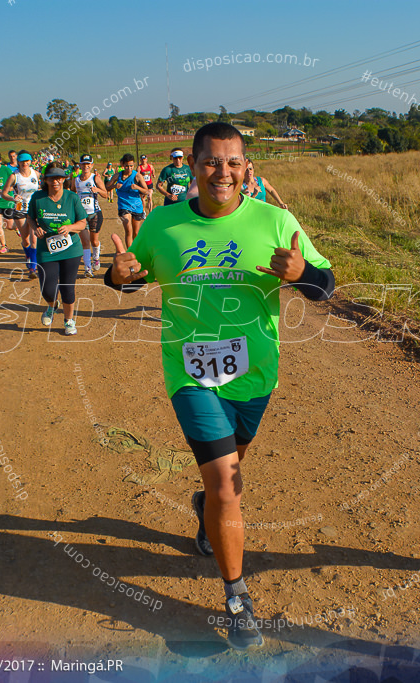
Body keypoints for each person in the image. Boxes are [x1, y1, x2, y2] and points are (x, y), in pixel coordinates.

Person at [104, 122, 334, 649]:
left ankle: (205, 507)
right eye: (211, 161)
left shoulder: (276, 221)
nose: (222, 172)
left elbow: (326, 287)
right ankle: (237, 597)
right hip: (190, 375)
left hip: (256, 373)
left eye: (232, 162)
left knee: (231, 473)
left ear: (246, 167)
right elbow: (127, 275)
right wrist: (119, 275)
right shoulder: (163, 224)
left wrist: (299, 272)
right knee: (227, 486)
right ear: (192, 165)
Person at [24, 163, 87, 336]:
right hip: (46, 250)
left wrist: (70, 228)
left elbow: (83, 223)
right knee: (48, 289)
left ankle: (69, 320)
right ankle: (52, 306)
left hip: (70, 249)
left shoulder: (72, 197)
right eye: (52, 178)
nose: (56, 181)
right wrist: (35, 227)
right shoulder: (38, 197)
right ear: (46, 180)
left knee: (67, 287)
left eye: (59, 178)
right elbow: (30, 218)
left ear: (64, 179)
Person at [68, 154, 106, 275]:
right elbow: (73, 191)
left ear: (92, 165)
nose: (86, 166)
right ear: (80, 165)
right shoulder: (76, 180)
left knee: (94, 241)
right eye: (84, 164)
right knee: (85, 242)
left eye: (88, 164)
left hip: (95, 213)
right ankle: (87, 268)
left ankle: (96, 258)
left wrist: (98, 190)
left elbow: (105, 194)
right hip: (81, 215)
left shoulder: (95, 178)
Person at [2, 151, 40, 263]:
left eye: (27, 161)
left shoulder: (36, 174)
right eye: (22, 161)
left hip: (34, 209)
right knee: (26, 240)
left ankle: (33, 268)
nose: (25, 163)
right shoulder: (14, 176)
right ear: (18, 162)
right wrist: (13, 198)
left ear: (30, 161)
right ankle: (28, 255)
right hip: (20, 209)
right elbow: (4, 193)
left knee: (34, 240)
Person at [106, 154, 149, 247]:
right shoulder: (117, 175)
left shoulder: (137, 176)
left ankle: (136, 251)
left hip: (137, 206)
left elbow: (146, 191)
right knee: (128, 229)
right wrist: (114, 186)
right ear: (123, 165)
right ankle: (130, 253)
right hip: (124, 206)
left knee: (136, 233)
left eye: (131, 166)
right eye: (126, 166)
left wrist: (137, 187)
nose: (129, 168)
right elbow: (107, 187)